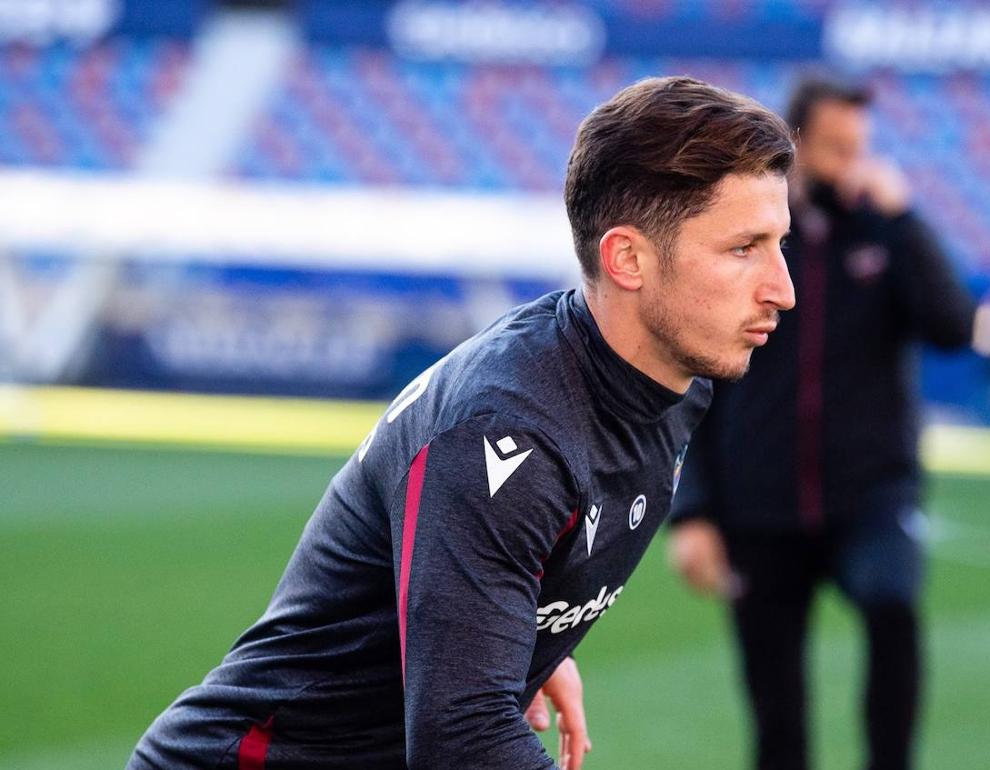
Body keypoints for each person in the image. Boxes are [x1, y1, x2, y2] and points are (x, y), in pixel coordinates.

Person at [128, 76, 796, 770]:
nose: (784, 288)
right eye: (743, 248)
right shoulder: (507, 431)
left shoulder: (677, 383)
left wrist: (515, 642)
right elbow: (464, 741)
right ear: (627, 258)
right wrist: (487, 661)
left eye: (780, 243)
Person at [668, 76, 977, 770]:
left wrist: (903, 222)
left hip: (870, 495)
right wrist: (693, 511)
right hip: (760, 505)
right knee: (778, 718)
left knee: (891, 603)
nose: (851, 164)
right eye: (836, 148)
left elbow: (954, 327)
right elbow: (699, 377)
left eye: (859, 148)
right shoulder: (744, 242)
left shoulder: (882, 233)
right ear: (794, 144)